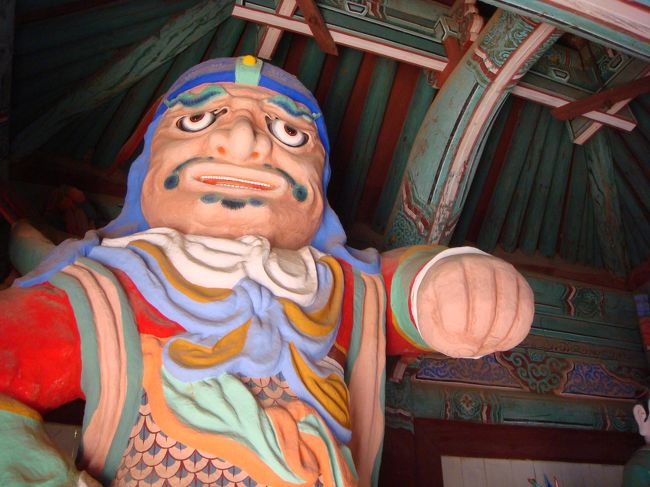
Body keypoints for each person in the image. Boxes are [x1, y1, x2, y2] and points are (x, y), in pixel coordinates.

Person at [0, 56, 534, 486]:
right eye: (196, 120)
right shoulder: (106, 285)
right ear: (147, 171)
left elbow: (396, 295)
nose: (245, 142)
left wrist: (449, 282)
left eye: (289, 132)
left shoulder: (333, 287)